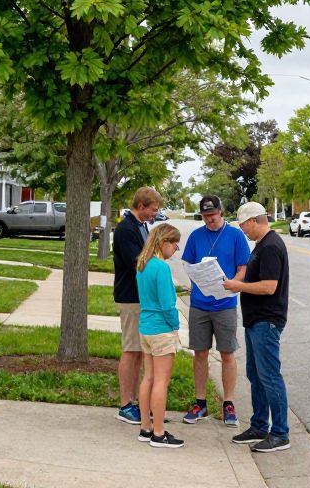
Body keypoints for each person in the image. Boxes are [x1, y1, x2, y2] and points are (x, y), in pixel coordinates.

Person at [223, 201, 290, 453]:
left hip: (267, 320)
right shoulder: (261, 246)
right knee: (256, 374)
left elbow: (269, 286)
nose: (243, 231)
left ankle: (281, 433)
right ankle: (259, 425)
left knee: (270, 376)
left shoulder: (271, 246)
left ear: (253, 221)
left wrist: (238, 286)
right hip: (255, 320)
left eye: (243, 226)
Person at [181, 195, 251, 427]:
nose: (209, 220)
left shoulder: (235, 235)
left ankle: (228, 404)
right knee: (199, 352)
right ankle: (200, 403)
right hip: (200, 304)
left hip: (225, 304)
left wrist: (234, 283)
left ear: (221, 212)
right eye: (205, 216)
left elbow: (243, 268)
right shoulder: (196, 236)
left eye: (212, 216)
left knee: (227, 353)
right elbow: (188, 265)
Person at [113, 186, 162, 426]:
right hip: (130, 297)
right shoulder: (126, 229)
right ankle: (125, 405)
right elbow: (137, 263)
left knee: (141, 352)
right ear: (141, 206)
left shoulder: (141, 227)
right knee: (131, 350)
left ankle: (136, 401)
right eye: (152, 210)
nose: (154, 215)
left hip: (142, 297)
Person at [136, 223, 185, 449]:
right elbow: (168, 305)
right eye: (174, 244)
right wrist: (176, 327)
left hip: (145, 327)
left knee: (148, 378)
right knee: (161, 382)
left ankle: (145, 427)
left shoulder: (142, 265)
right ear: (164, 243)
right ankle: (159, 433)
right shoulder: (162, 268)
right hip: (161, 329)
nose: (176, 249)